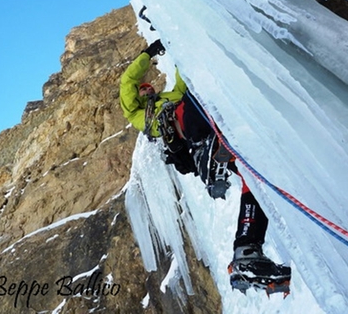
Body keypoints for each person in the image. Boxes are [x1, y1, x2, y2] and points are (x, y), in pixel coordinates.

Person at [120, 39, 291, 294]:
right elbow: (127, 83)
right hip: (187, 130)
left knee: (252, 179)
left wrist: (178, 43)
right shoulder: (136, 114)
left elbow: (183, 78)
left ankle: (246, 250)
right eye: (143, 90)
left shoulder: (169, 96)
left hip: (205, 130)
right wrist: (148, 54)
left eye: (148, 88)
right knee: (188, 103)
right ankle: (204, 151)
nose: (146, 91)